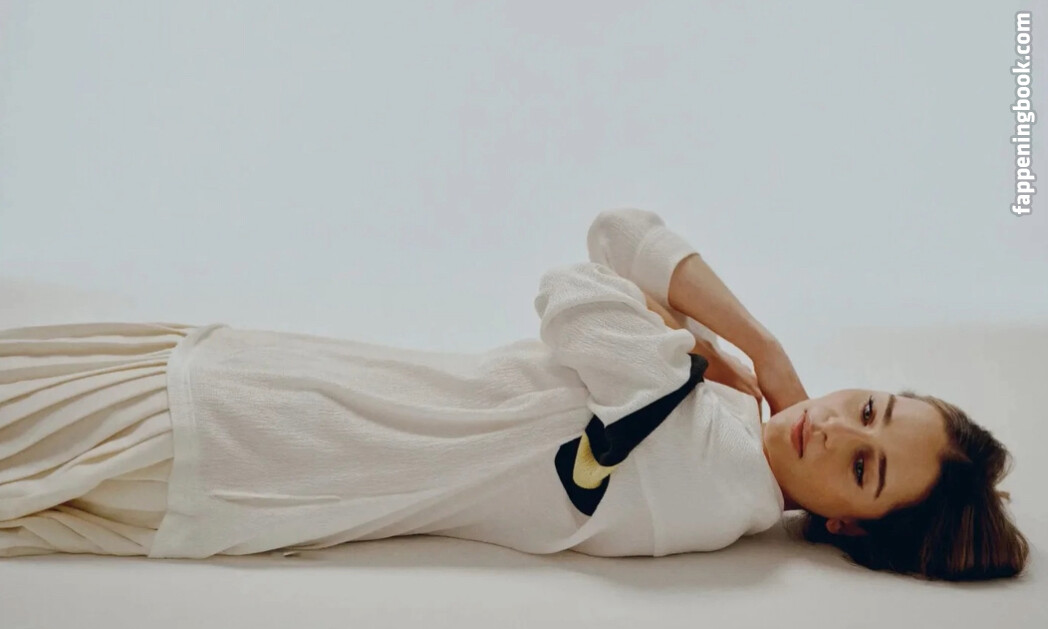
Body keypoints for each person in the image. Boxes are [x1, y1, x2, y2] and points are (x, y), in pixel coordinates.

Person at [0, 208, 1027, 582]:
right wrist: (742, 353)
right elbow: (620, 236)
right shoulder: (722, 442)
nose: (835, 425)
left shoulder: (704, 468)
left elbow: (579, 278)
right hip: (315, 403)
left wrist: (720, 347)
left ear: (849, 525)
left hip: (275, 435)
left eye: (863, 465)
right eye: (869, 408)